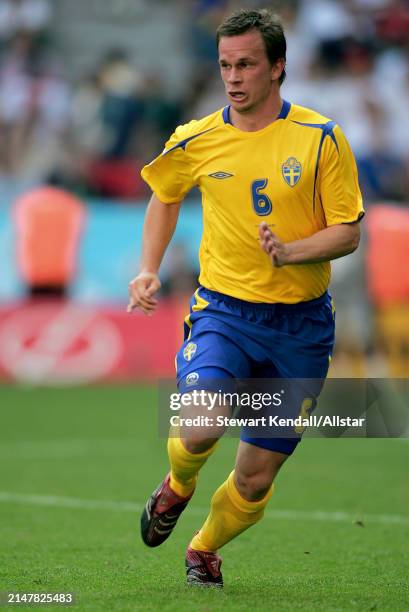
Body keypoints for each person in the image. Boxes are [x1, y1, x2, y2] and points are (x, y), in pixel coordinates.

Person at [128, 8, 363, 588]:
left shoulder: (321, 138)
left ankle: (204, 547)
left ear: (278, 67)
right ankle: (177, 484)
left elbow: (349, 231)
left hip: (302, 327)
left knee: (255, 478)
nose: (234, 77)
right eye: (226, 66)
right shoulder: (197, 138)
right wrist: (147, 270)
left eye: (247, 65)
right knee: (203, 421)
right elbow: (164, 195)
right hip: (225, 313)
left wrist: (292, 250)